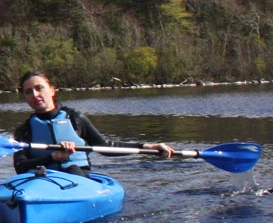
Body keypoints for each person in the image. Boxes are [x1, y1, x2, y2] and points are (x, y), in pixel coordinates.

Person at [11, 70, 173, 176]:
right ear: (25, 97)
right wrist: (52, 157)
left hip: (76, 175)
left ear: (52, 90)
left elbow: (107, 148)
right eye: (29, 91)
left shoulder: (76, 119)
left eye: (40, 88)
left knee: (73, 169)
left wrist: (148, 147)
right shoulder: (23, 131)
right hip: (42, 179)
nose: (35, 94)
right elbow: (20, 166)